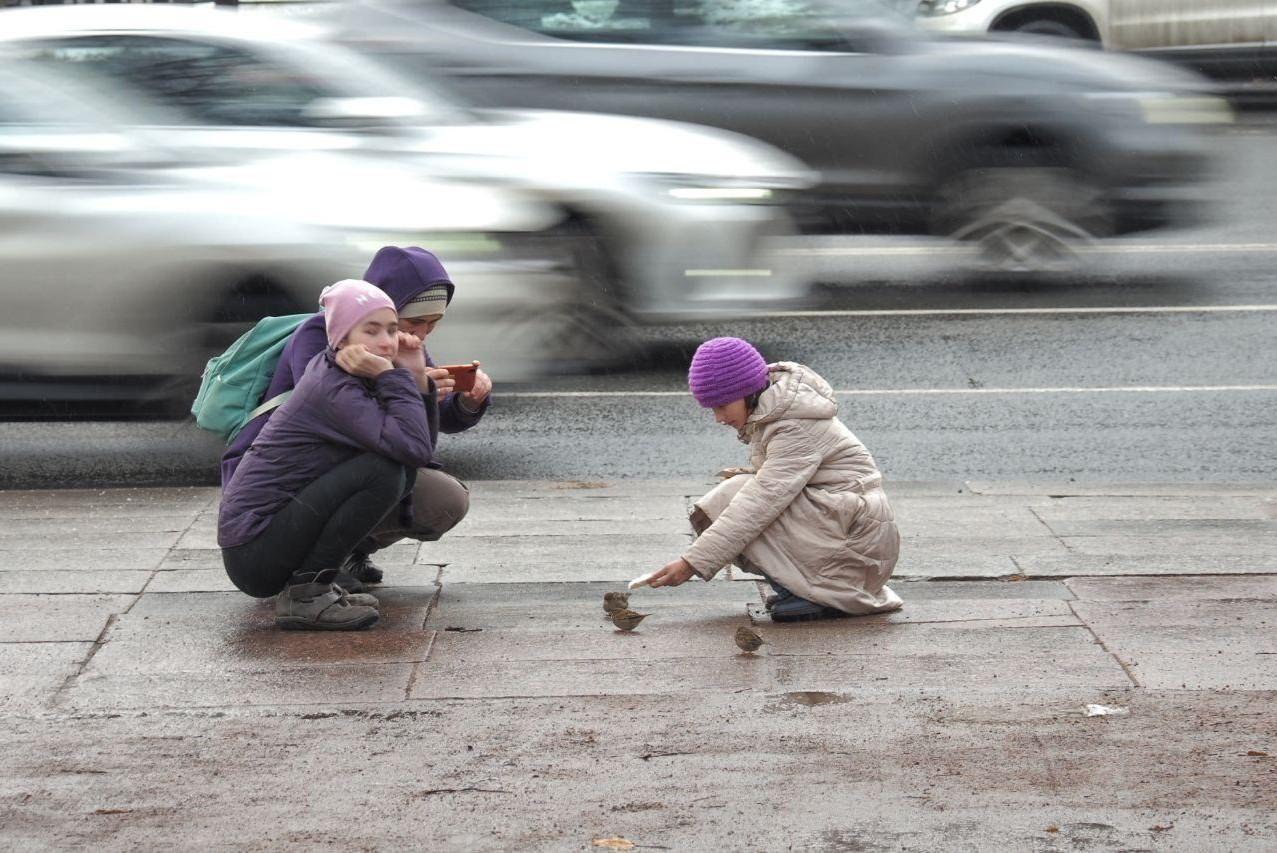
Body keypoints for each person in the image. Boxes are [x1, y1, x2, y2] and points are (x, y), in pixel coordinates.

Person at [220, 246, 491, 589]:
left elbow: (420, 434)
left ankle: (339, 555)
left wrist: (464, 401)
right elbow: (346, 416)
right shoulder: (320, 339)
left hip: (335, 469)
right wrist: (405, 384)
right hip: (280, 497)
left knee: (428, 490)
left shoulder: (396, 342)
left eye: (432, 325)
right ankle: (311, 579)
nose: (420, 334)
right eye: (414, 323)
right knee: (387, 473)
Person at [218, 280, 436, 630]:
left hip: (264, 545)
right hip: (253, 552)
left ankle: (317, 584)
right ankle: (307, 595)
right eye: (371, 330)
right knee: (383, 471)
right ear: (341, 338)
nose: (386, 341)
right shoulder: (333, 388)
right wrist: (392, 375)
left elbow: (417, 451)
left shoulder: (348, 374)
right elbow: (415, 447)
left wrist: (415, 375)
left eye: (392, 329)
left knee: (399, 471)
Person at [645, 337, 904, 621]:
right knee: (739, 496)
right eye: (712, 409)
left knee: (737, 498)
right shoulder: (777, 410)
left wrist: (691, 563)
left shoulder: (793, 427)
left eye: (722, 406)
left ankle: (813, 593)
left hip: (856, 546)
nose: (718, 417)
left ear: (747, 392)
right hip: (852, 531)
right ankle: (802, 589)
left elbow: (759, 504)